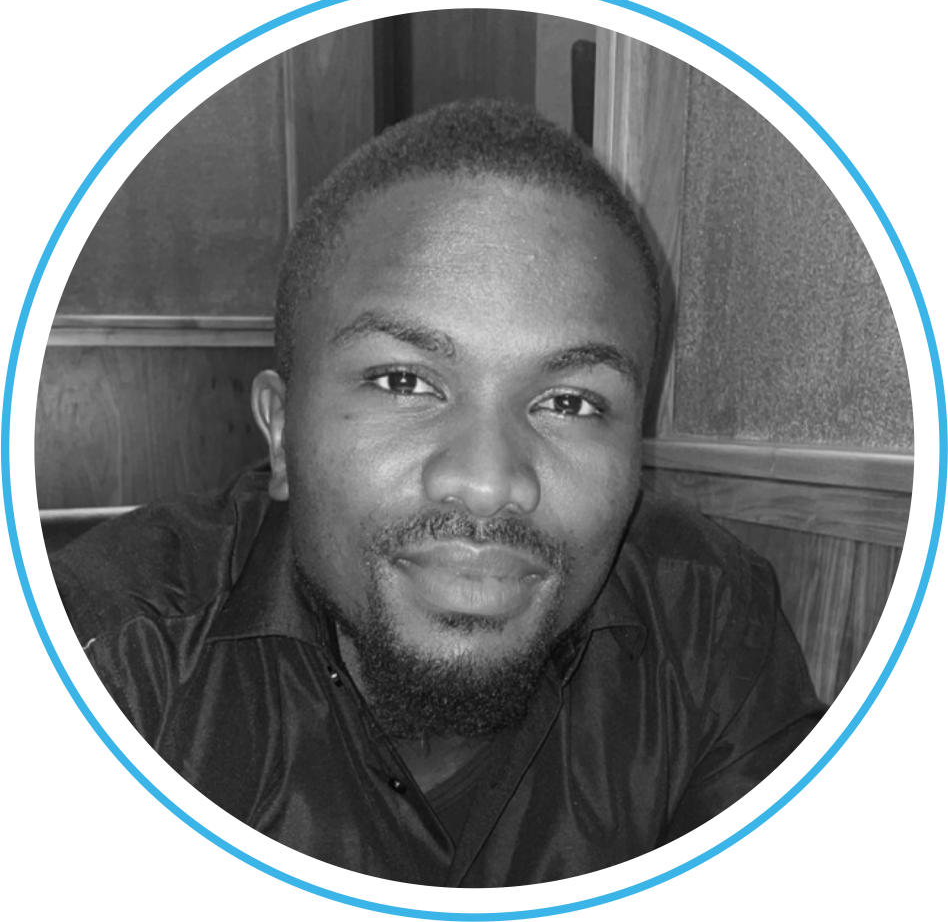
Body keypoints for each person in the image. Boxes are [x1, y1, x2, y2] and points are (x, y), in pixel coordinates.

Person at [51, 99, 825, 887]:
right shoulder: (101, 663)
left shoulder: (710, 627)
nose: (487, 483)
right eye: (404, 382)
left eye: (568, 402)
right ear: (282, 435)